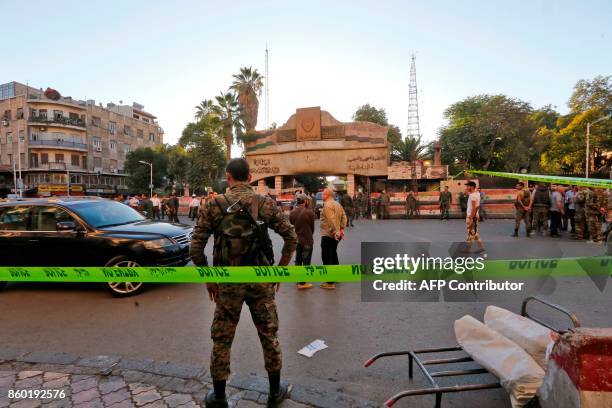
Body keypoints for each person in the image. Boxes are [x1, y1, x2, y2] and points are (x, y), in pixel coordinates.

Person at [189, 158, 297, 408]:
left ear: (228, 177)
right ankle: (273, 393)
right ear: (250, 177)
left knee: (222, 338)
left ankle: (219, 397)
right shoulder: (264, 203)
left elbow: (196, 247)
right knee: (269, 334)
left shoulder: (213, 204)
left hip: (227, 282)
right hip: (261, 281)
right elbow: (291, 237)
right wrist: (279, 271)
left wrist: (209, 279)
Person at [320, 188, 347, 290]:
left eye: (323, 194)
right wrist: (342, 229)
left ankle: (330, 282)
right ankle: (337, 275)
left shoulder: (327, 205)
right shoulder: (337, 204)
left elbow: (331, 219)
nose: (322, 196)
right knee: (333, 254)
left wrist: (336, 231)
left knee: (326, 256)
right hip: (337, 234)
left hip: (329, 234)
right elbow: (344, 217)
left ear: (327, 195)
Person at [289, 194, 315, 290]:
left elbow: (291, 223)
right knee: (306, 261)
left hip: (297, 240)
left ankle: (299, 279)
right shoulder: (310, 213)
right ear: (305, 201)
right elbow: (312, 228)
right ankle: (303, 283)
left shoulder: (292, 213)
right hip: (307, 240)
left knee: (298, 260)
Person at [464, 181, 485, 254]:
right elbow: (468, 190)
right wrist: (467, 177)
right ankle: (481, 247)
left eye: (467, 186)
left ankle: (467, 249)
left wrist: (471, 218)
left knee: (470, 232)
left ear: (471, 187)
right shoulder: (476, 193)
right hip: (474, 215)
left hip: (472, 215)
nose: (466, 187)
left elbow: (474, 207)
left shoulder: (473, 196)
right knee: (475, 233)